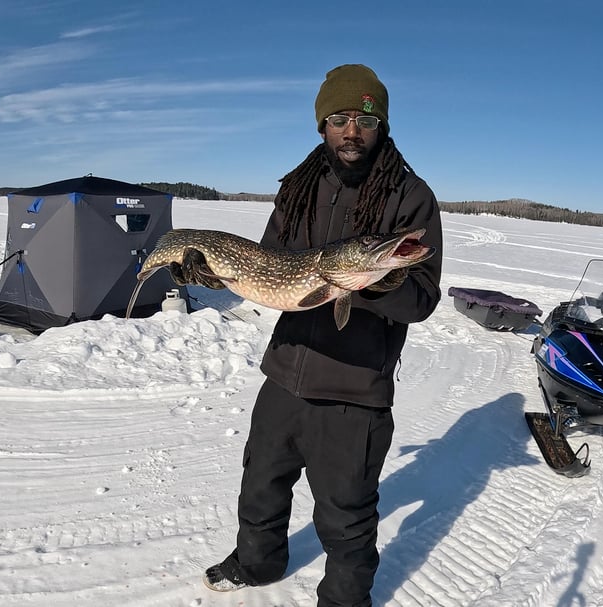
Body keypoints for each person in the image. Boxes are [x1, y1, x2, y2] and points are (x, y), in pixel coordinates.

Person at [174, 63, 443, 607]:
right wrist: (213, 272)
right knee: (261, 483)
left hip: (354, 387)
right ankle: (258, 562)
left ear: (382, 126)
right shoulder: (299, 187)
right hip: (286, 369)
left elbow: (421, 299)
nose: (352, 131)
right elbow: (264, 266)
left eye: (366, 120)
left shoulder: (410, 195)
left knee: (345, 511)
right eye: (339, 119)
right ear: (322, 125)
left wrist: (367, 282)